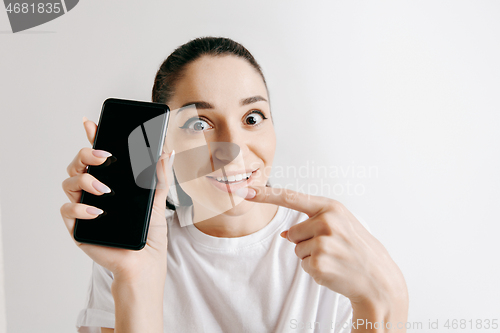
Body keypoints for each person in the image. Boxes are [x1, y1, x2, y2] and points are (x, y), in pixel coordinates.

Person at [61, 36, 409, 333]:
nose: (234, 149)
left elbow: (381, 309)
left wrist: (385, 298)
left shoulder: (335, 242)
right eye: (199, 124)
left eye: (252, 118)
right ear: (161, 144)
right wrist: (137, 279)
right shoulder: (132, 253)